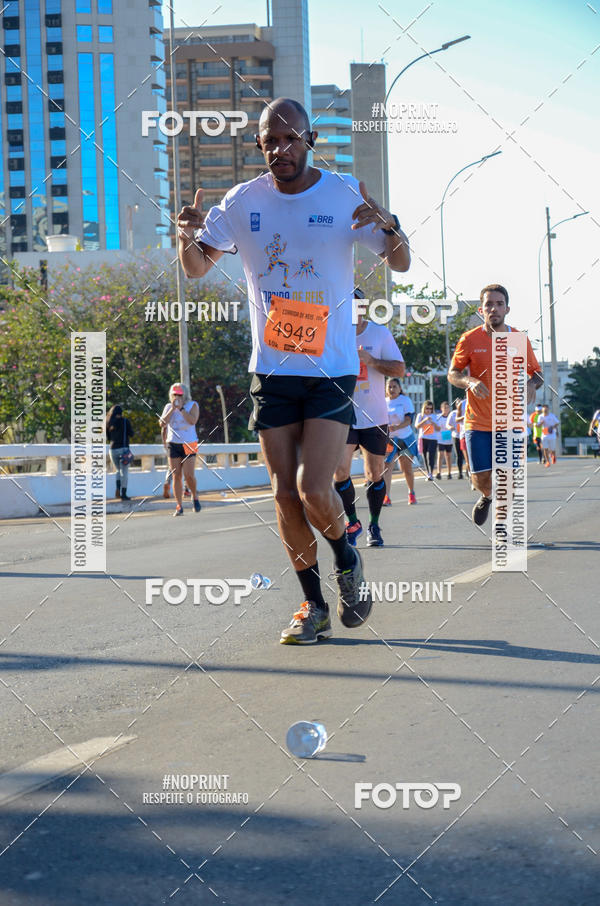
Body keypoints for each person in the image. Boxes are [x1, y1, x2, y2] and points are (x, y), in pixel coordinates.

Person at [177, 96, 410, 644]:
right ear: (259, 145)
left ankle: (346, 558)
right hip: (272, 370)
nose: (280, 149)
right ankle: (314, 606)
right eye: (269, 142)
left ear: (309, 141)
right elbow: (196, 269)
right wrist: (184, 236)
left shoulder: (343, 192)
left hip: (332, 368)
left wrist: (391, 225)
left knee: (313, 488)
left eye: (290, 139)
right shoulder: (241, 201)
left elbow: (399, 261)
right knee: (283, 495)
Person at [448, 284, 543, 525]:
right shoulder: (469, 339)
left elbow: (537, 374)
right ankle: (486, 496)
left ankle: (501, 528)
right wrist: (469, 381)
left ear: (507, 309)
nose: (494, 309)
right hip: (477, 422)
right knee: (481, 478)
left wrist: (532, 384)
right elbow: (453, 373)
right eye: (489, 304)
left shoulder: (519, 339)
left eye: (499, 304)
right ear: (481, 310)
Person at [333, 294, 405, 548]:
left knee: (374, 473)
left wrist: (372, 361)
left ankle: (374, 524)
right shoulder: (333, 334)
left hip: (374, 415)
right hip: (343, 414)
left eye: (357, 304)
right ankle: (353, 522)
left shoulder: (379, 333)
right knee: (339, 471)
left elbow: (399, 369)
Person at [158, 383, 202, 516]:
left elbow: (192, 421)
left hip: (189, 443)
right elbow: (162, 423)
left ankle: (194, 496)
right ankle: (179, 506)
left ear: (185, 395)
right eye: (174, 394)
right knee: (176, 475)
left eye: (179, 395)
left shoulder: (192, 405)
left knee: (189, 475)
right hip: (173, 443)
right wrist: (172, 409)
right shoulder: (168, 407)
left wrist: (181, 409)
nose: (177, 397)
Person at [383, 378, 418, 505]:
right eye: (389, 387)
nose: (392, 389)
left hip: (405, 438)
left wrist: (396, 427)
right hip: (390, 440)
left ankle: (411, 493)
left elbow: (409, 420)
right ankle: (386, 496)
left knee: (406, 468)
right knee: (387, 467)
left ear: (400, 388)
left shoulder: (405, 400)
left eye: (394, 386)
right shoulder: (383, 402)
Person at [105, 404, 134, 501]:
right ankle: (123, 494)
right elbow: (131, 434)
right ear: (121, 413)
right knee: (124, 472)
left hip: (112, 449)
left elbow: (108, 437)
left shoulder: (108, 422)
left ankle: (117, 488)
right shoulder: (125, 421)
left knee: (118, 470)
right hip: (123, 449)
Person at [415, 400, 438, 480]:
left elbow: (438, 428)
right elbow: (417, 426)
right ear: (424, 408)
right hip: (423, 438)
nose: (429, 410)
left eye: (430, 409)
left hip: (433, 439)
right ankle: (428, 473)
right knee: (424, 456)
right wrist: (424, 420)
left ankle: (431, 473)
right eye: (427, 408)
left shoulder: (434, 416)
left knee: (430, 456)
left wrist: (433, 423)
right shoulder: (420, 416)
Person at [446, 398, 465, 479]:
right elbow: (447, 424)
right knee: (459, 455)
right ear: (456, 405)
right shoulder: (453, 413)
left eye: (460, 403)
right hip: (456, 436)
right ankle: (460, 472)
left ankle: (468, 471)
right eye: (457, 404)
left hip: (464, 435)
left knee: (466, 455)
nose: (459, 405)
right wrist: (451, 427)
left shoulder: (466, 412)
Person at [436, 400, 453, 479]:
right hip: (440, 438)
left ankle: (449, 473)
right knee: (440, 454)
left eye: (447, 408)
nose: (446, 409)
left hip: (449, 438)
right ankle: (438, 472)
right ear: (441, 408)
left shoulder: (451, 417)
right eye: (444, 408)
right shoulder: (438, 417)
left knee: (448, 455)